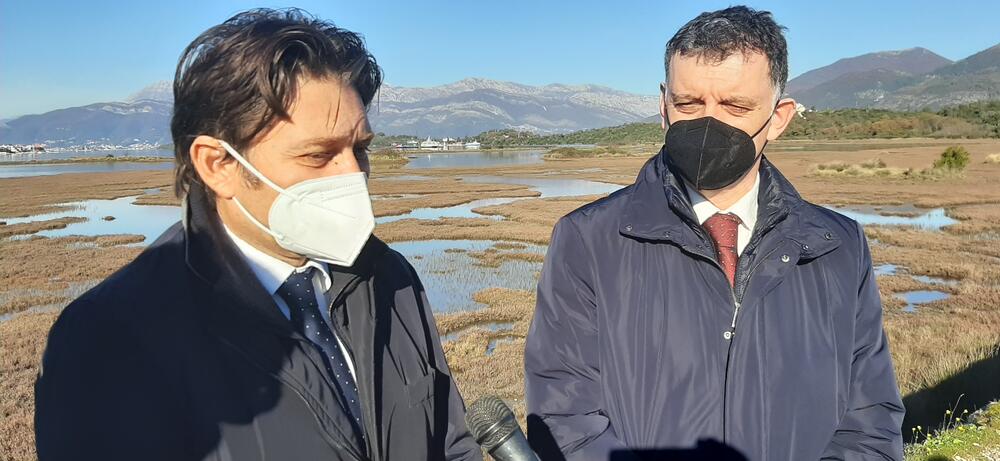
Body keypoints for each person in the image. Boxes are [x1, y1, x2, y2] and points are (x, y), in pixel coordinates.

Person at [35, 9, 481, 461]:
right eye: (318, 155)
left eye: (360, 149)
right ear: (218, 165)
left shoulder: (389, 278)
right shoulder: (108, 340)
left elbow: (450, 442)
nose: (353, 175)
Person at [524, 6, 904, 460]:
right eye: (688, 104)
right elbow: (565, 418)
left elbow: (870, 421)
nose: (708, 125)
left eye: (735, 106)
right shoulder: (588, 240)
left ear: (779, 117)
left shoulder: (838, 246)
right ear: (663, 107)